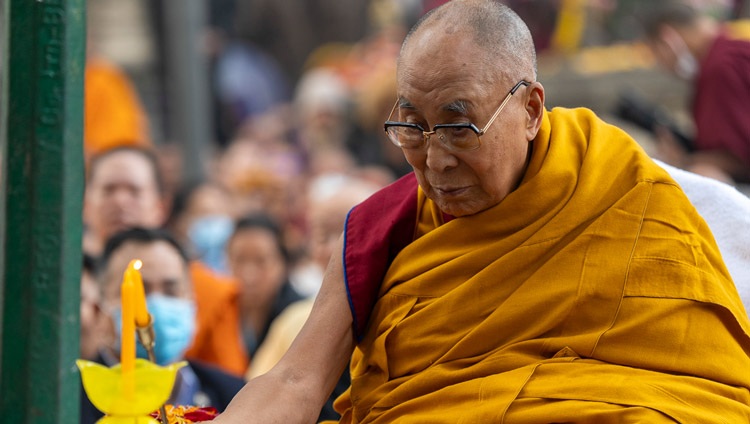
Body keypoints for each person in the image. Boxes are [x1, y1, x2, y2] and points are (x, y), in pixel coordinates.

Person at [214, 1, 750, 422]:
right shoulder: (381, 228)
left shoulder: (626, 190)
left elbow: (698, 385)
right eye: (411, 128)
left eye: (457, 126)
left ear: (531, 109)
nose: (435, 159)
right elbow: (296, 381)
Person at [83, 146, 248, 376]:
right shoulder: (71, 284)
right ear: (85, 204)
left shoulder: (209, 289)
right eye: (109, 190)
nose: (120, 201)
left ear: (161, 205)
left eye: (134, 191)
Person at [80, 228, 245, 423]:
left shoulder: (234, 396)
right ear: (99, 309)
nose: (153, 311)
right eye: (140, 292)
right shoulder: (68, 401)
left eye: (171, 291)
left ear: (193, 303)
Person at [644, 1, 750, 183]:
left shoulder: (720, 68)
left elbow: (741, 158)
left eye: (656, 53)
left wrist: (681, 161)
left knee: (702, 173)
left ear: (666, 39)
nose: (662, 65)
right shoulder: (729, 51)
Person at [225, 213, 305, 358]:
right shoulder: (222, 309)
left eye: (261, 261)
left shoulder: (300, 316)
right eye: (239, 260)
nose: (249, 275)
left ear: (283, 264)